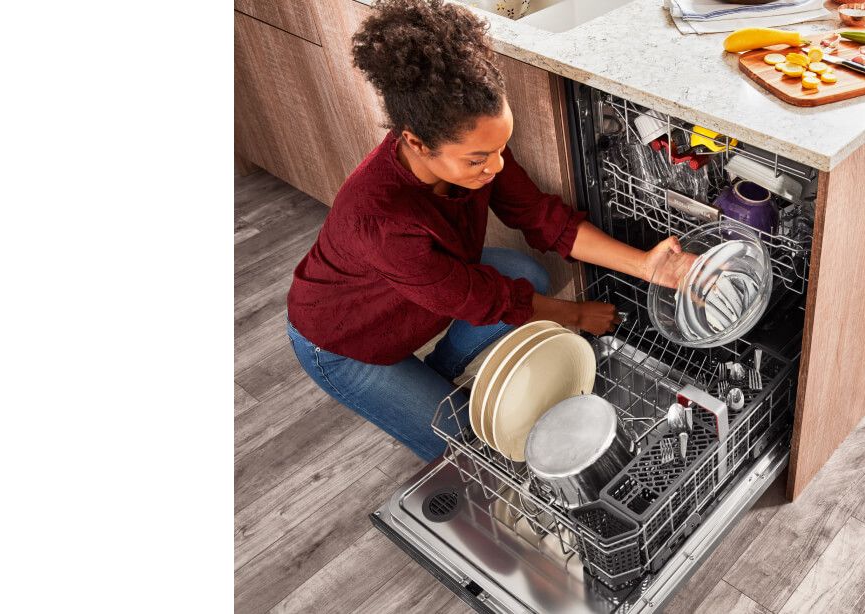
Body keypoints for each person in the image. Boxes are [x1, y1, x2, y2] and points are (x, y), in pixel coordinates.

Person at [284, 0, 691, 462]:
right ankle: (422, 391)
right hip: (344, 339)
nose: (496, 167)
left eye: (500, 149)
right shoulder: (379, 221)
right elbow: (480, 299)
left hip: (426, 292)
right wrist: (573, 316)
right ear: (416, 142)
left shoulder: (470, 144)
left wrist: (646, 265)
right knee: (459, 442)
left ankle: (436, 375)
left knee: (524, 273)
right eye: (478, 159)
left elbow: (539, 216)